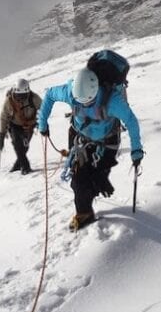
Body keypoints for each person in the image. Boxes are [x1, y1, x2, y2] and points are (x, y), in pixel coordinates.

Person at [38, 67, 143, 230]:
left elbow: (131, 121)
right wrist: (42, 124)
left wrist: (136, 150)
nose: (84, 104)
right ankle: (84, 213)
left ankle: (94, 186)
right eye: (80, 102)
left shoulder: (112, 100)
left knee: (97, 177)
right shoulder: (70, 93)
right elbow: (50, 94)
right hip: (80, 137)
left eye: (87, 101)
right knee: (78, 178)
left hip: (107, 140)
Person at [0, 78, 41, 174]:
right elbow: (4, 117)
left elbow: (43, 109)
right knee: (17, 144)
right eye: (18, 96)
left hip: (29, 125)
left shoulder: (34, 98)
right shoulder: (9, 101)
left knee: (24, 147)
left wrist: (42, 122)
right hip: (15, 125)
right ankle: (25, 167)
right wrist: (2, 134)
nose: (21, 98)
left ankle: (17, 166)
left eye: (23, 96)